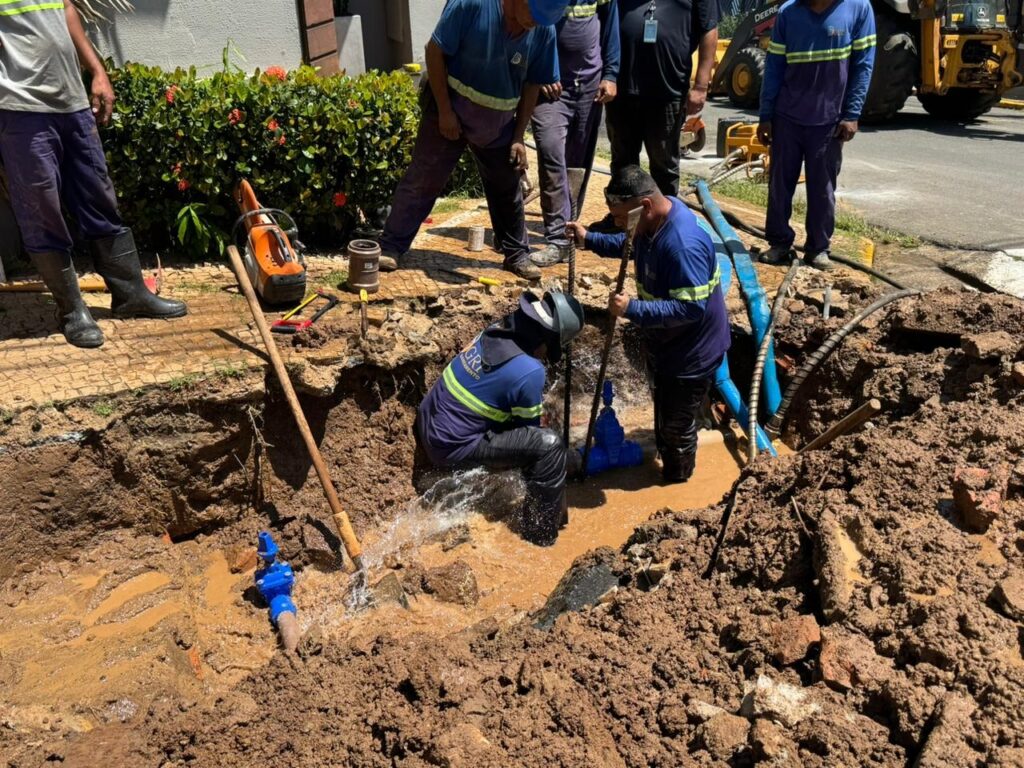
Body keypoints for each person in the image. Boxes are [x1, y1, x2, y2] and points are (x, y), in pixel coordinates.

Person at [0, 0, 187, 349]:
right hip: (21, 111)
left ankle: (130, 294)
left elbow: (67, 9)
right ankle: (71, 311)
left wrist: (97, 72)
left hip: (73, 104)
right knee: (41, 209)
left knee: (99, 197)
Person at [377, 0, 568, 280]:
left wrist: (517, 137)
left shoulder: (543, 29)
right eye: (533, 16)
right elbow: (435, 51)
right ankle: (391, 246)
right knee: (423, 178)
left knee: (507, 187)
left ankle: (516, 254)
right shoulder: (473, 4)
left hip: (498, 124)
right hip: (451, 110)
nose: (534, 24)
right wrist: (444, 111)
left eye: (542, 20)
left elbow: (533, 84)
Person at [567, 165, 729, 483]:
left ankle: (677, 480)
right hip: (668, 343)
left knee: (676, 427)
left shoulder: (683, 244)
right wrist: (589, 240)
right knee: (665, 410)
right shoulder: (649, 223)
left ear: (645, 206)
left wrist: (632, 308)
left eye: (620, 217)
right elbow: (628, 246)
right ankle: (668, 450)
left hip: (691, 354)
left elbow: (690, 309)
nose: (616, 223)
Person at [416, 289, 584, 546]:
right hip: (449, 447)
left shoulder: (495, 331)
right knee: (549, 447)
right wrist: (559, 461)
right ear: (546, 340)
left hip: (430, 420)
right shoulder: (530, 371)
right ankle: (540, 536)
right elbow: (530, 439)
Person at [756, 0, 877, 269]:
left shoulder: (858, 9)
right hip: (787, 117)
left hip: (829, 121)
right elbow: (774, 67)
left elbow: (863, 65)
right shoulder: (789, 12)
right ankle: (779, 244)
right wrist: (766, 116)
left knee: (822, 189)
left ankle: (818, 248)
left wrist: (852, 114)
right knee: (779, 184)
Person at [590, 0, 719, 233]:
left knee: (664, 164)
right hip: (622, 89)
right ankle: (622, 222)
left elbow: (709, 30)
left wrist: (701, 84)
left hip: (667, 90)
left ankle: (663, 226)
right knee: (622, 161)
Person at [528, 0, 620, 267]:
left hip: (589, 88)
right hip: (550, 89)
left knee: (577, 165)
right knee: (551, 153)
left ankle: (571, 230)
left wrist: (611, 75)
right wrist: (540, 72)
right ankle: (557, 239)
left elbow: (610, 29)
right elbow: (527, 28)